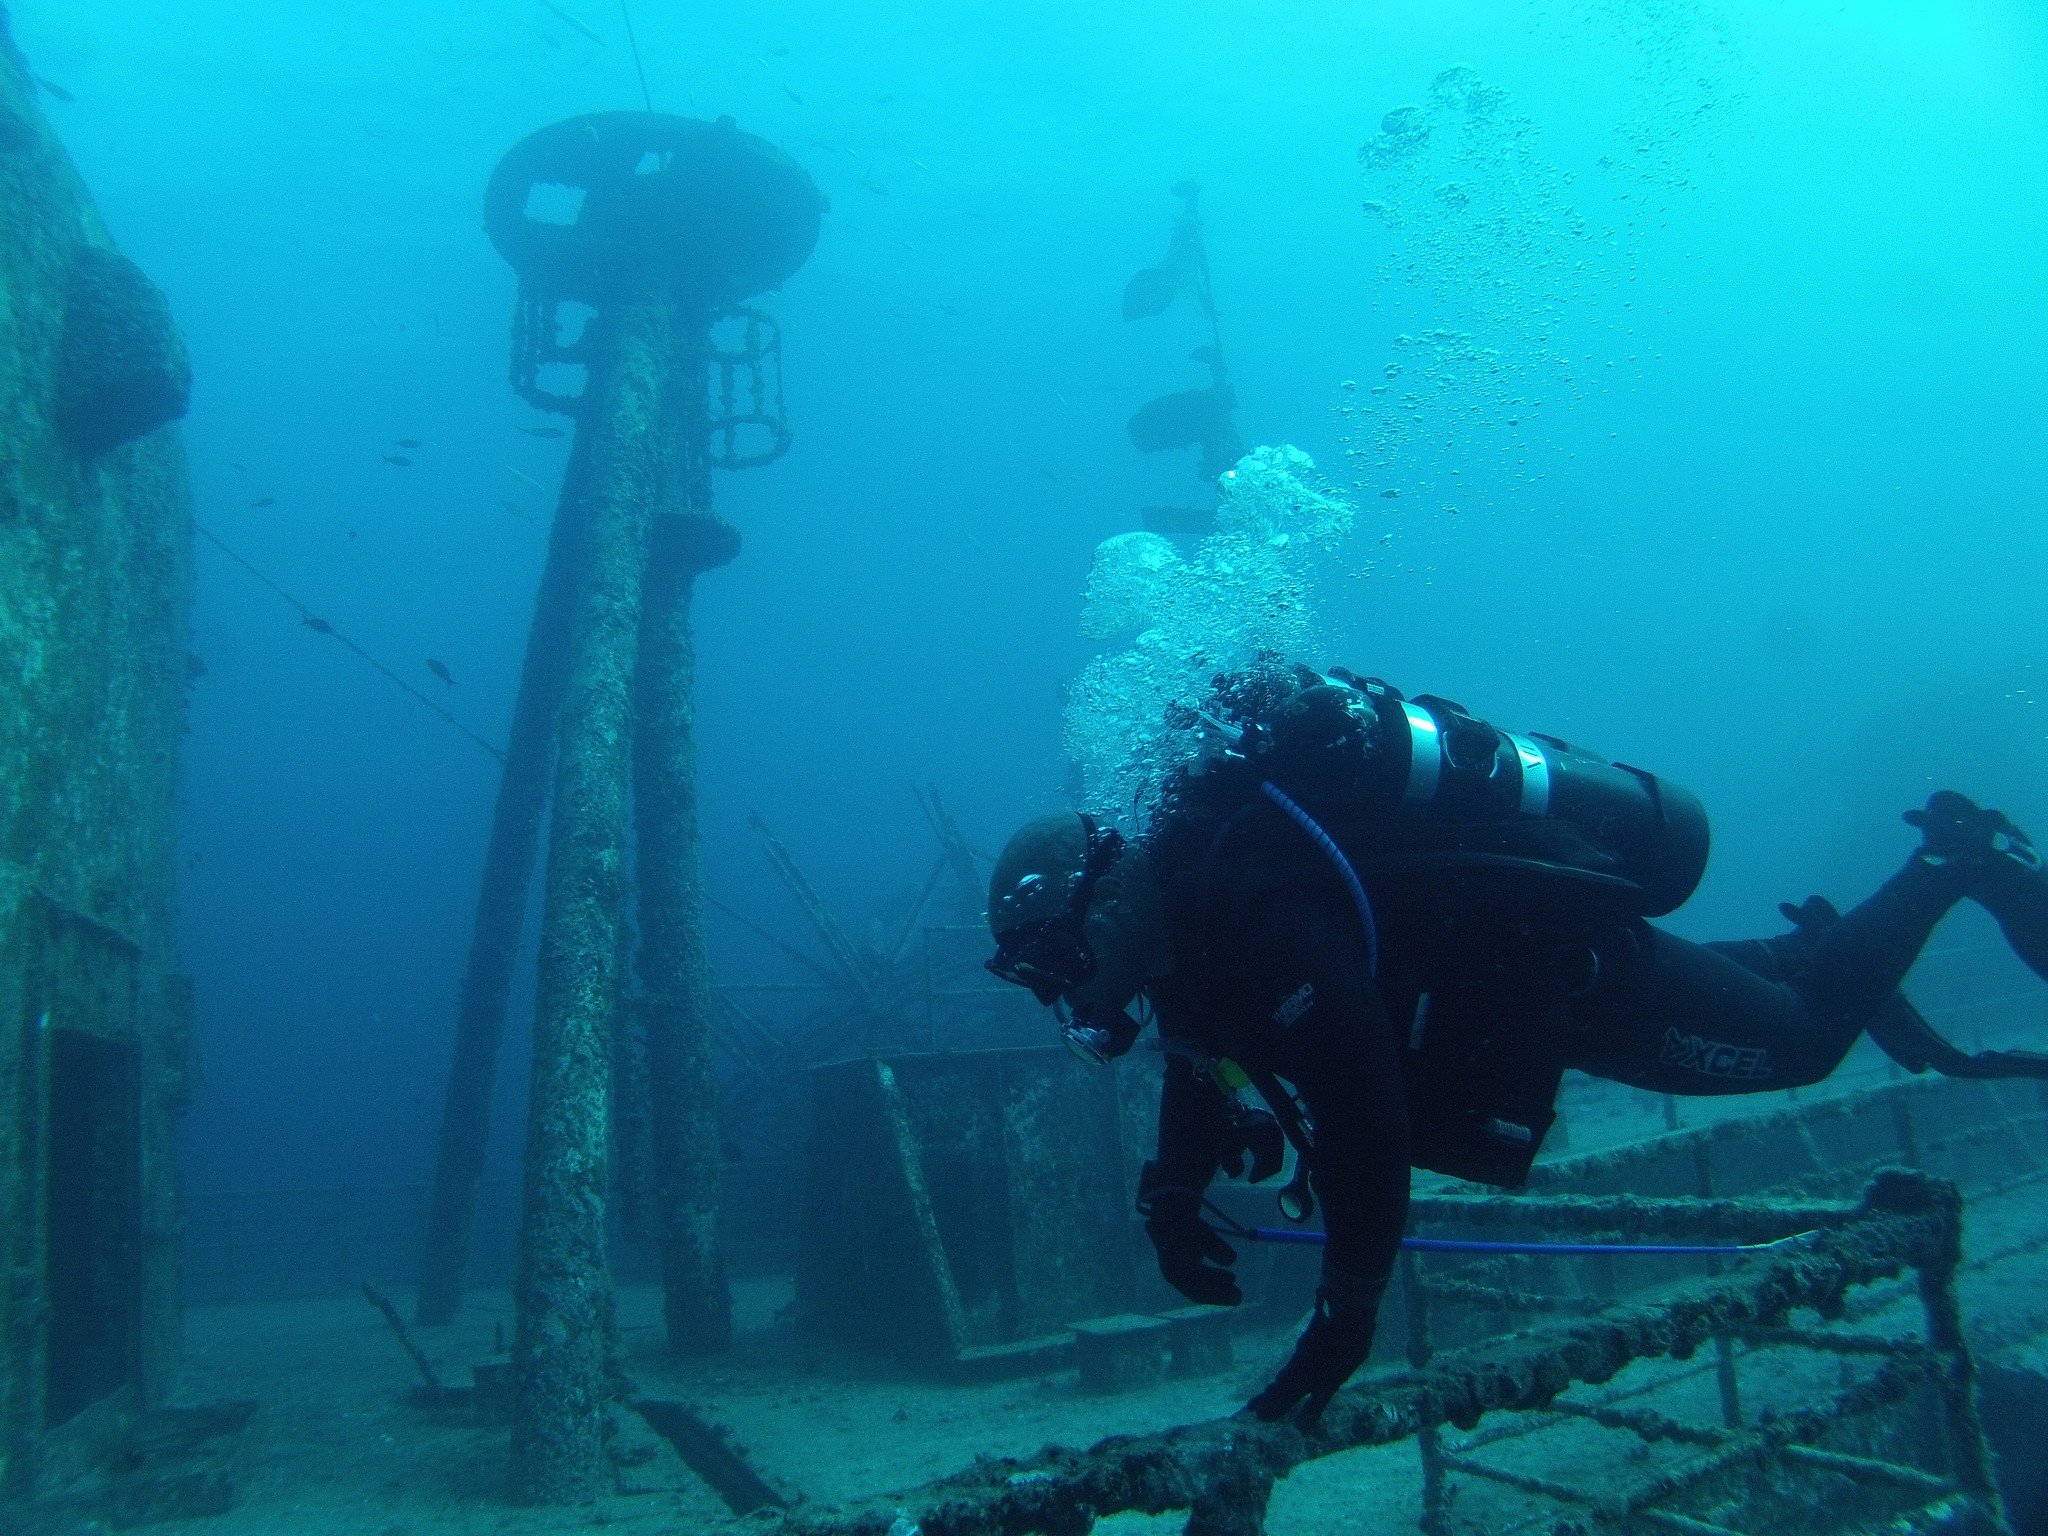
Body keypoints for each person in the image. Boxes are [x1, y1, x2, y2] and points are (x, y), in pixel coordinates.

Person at [985, 663, 2048, 1424]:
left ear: (1096, 910)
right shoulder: (1189, 921)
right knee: (1767, 993)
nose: (1069, 1005)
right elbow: (1197, 1059)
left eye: (1056, 970)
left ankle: (1953, 859)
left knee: (1805, 1042)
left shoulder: (1256, 920)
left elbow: (1364, 1118)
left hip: (1571, 985)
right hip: (1523, 990)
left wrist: (1345, 1312)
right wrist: (1170, 1199)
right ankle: (1800, 951)